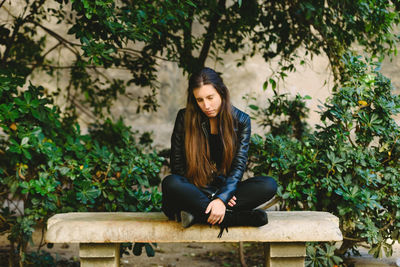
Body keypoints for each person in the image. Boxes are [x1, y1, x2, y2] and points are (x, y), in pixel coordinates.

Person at [162, 67, 277, 237]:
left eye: (210, 98)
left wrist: (223, 197)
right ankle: (233, 218)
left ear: (222, 93)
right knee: (171, 183)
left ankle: (198, 215)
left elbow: (238, 167)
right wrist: (216, 198)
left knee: (268, 184)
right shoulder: (184, 118)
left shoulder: (242, 121)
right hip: (192, 191)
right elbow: (178, 167)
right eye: (199, 100)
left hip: (219, 192)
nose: (206, 106)